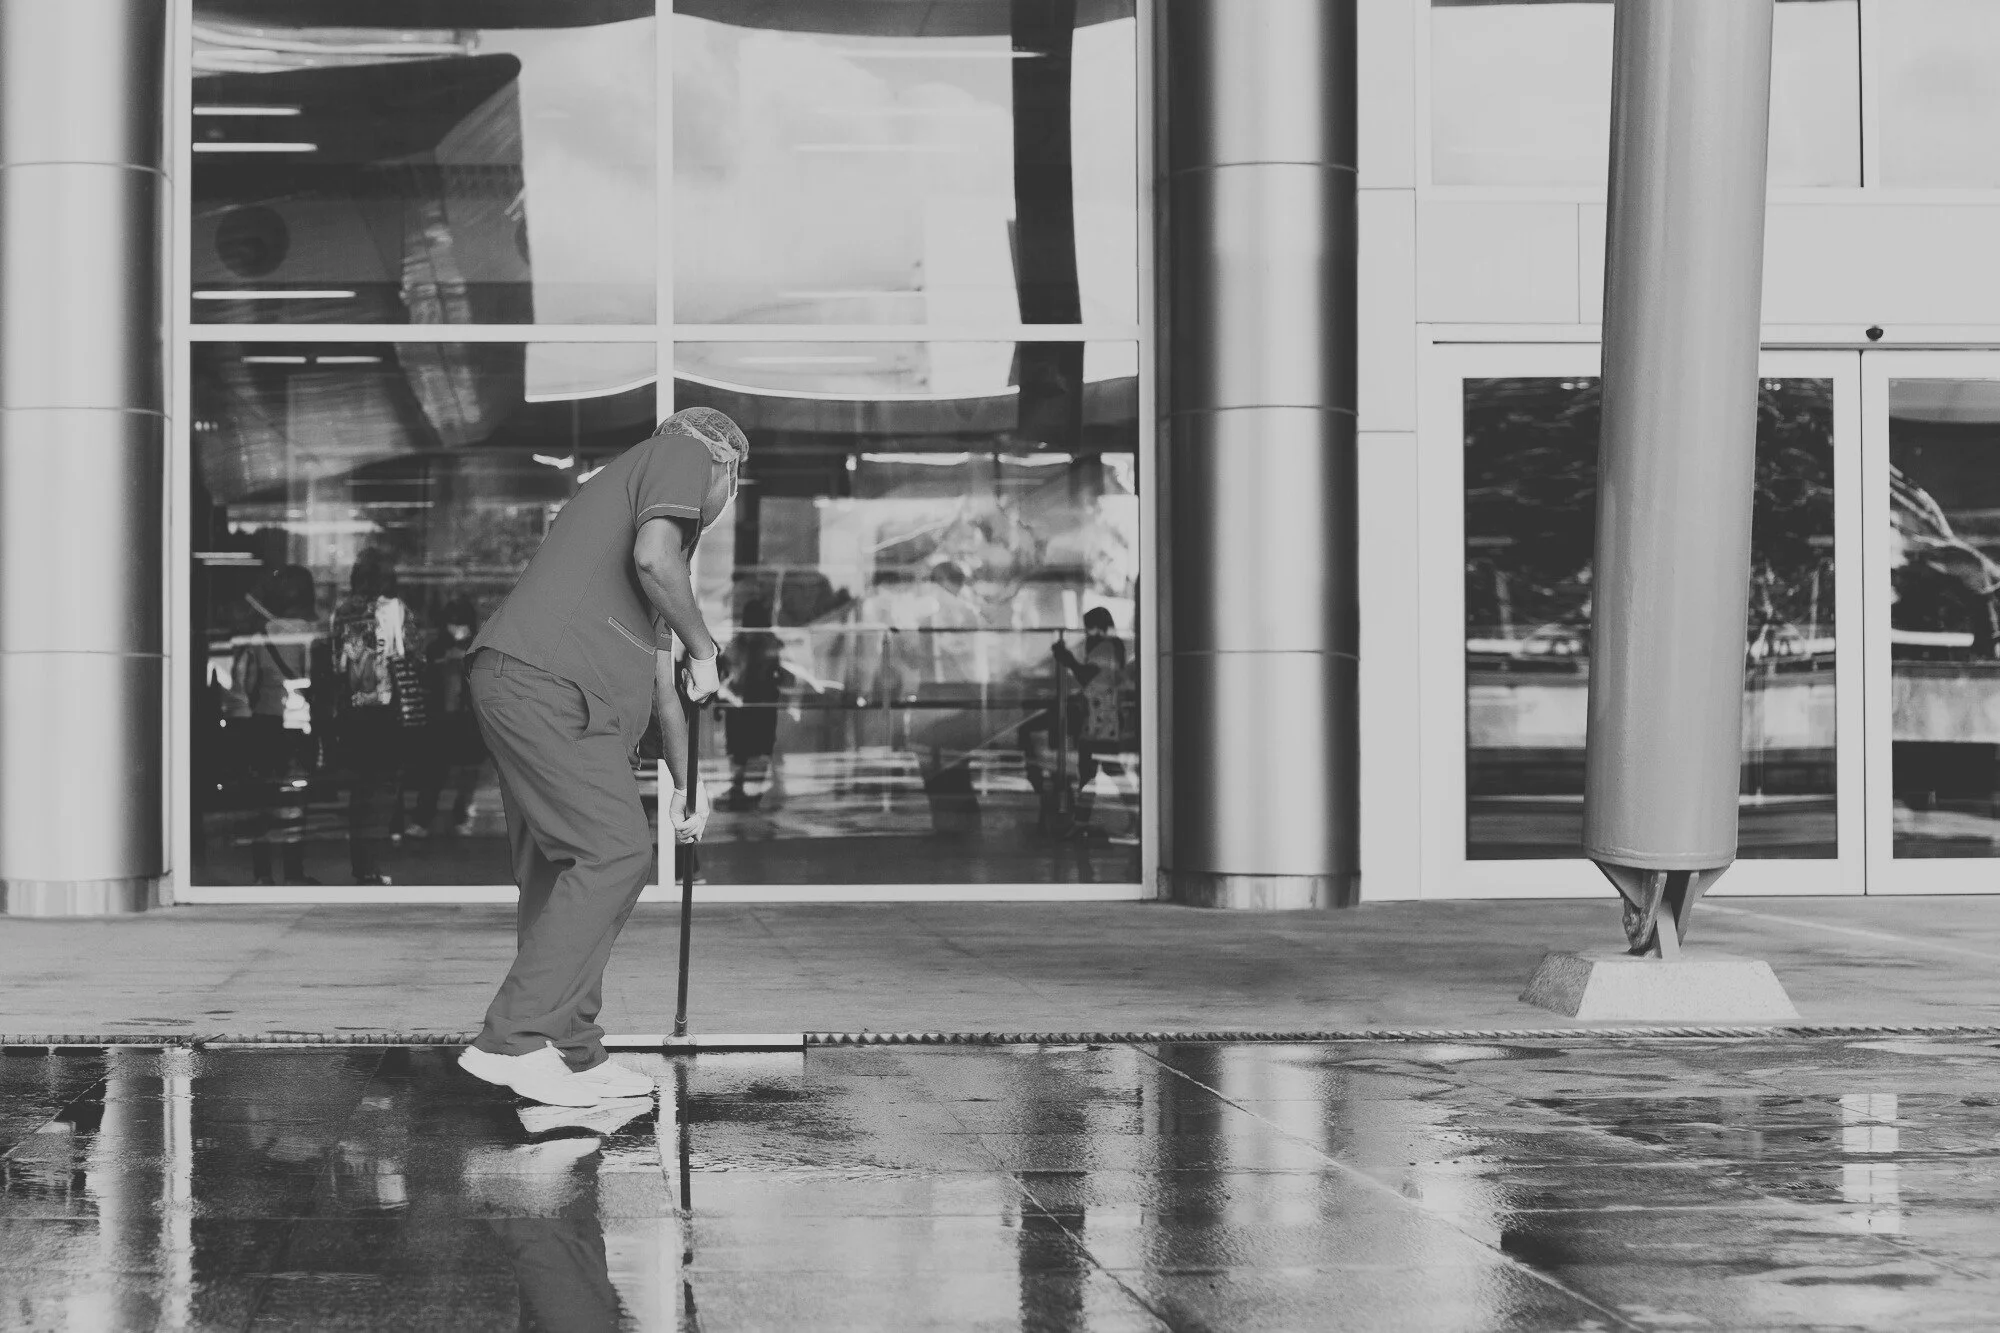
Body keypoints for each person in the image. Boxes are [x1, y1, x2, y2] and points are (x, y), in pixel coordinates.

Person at [456, 407, 746, 1108]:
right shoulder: (681, 453)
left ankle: (571, 1049)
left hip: (534, 685)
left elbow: (664, 687)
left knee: (563, 872)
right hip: (551, 686)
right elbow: (656, 559)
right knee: (615, 851)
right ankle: (514, 1039)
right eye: (734, 485)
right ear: (726, 466)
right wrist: (710, 646)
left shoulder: (639, 560)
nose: (726, 500)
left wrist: (688, 785)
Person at [329, 549, 421, 886]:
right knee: (383, 783)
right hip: (386, 707)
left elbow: (335, 662)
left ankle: (361, 860)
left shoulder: (342, 612)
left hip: (353, 709)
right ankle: (375, 856)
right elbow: (411, 652)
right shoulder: (395, 610)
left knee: (360, 785)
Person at [227, 564, 321, 885]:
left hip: (265, 722)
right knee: (294, 798)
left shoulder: (261, 634)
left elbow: (246, 683)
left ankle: (263, 874)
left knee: (263, 798)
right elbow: (315, 680)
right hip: (298, 722)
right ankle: (293, 871)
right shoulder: (310, 633)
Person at [406, 597, 488, 838]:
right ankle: (424, 819)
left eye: (460, 624)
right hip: (442, 719)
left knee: (466, 774)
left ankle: (459, 816)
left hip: (467, 718)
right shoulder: (436, 648)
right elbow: (426, 679)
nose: (457, 629)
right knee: (434, 773)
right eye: (453, 624)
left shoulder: (477, 647)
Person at [1052, 606, 1133, 834]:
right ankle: (1082, 822)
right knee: (1094, 770)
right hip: (1100, 717)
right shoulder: (1111, 646)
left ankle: (1085, 822)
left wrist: (1068, 660)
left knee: (1098, 770)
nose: (1087, 633)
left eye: (1089, 627)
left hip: (1102, 719)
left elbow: (1088, 677)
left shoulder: (1105, 647)